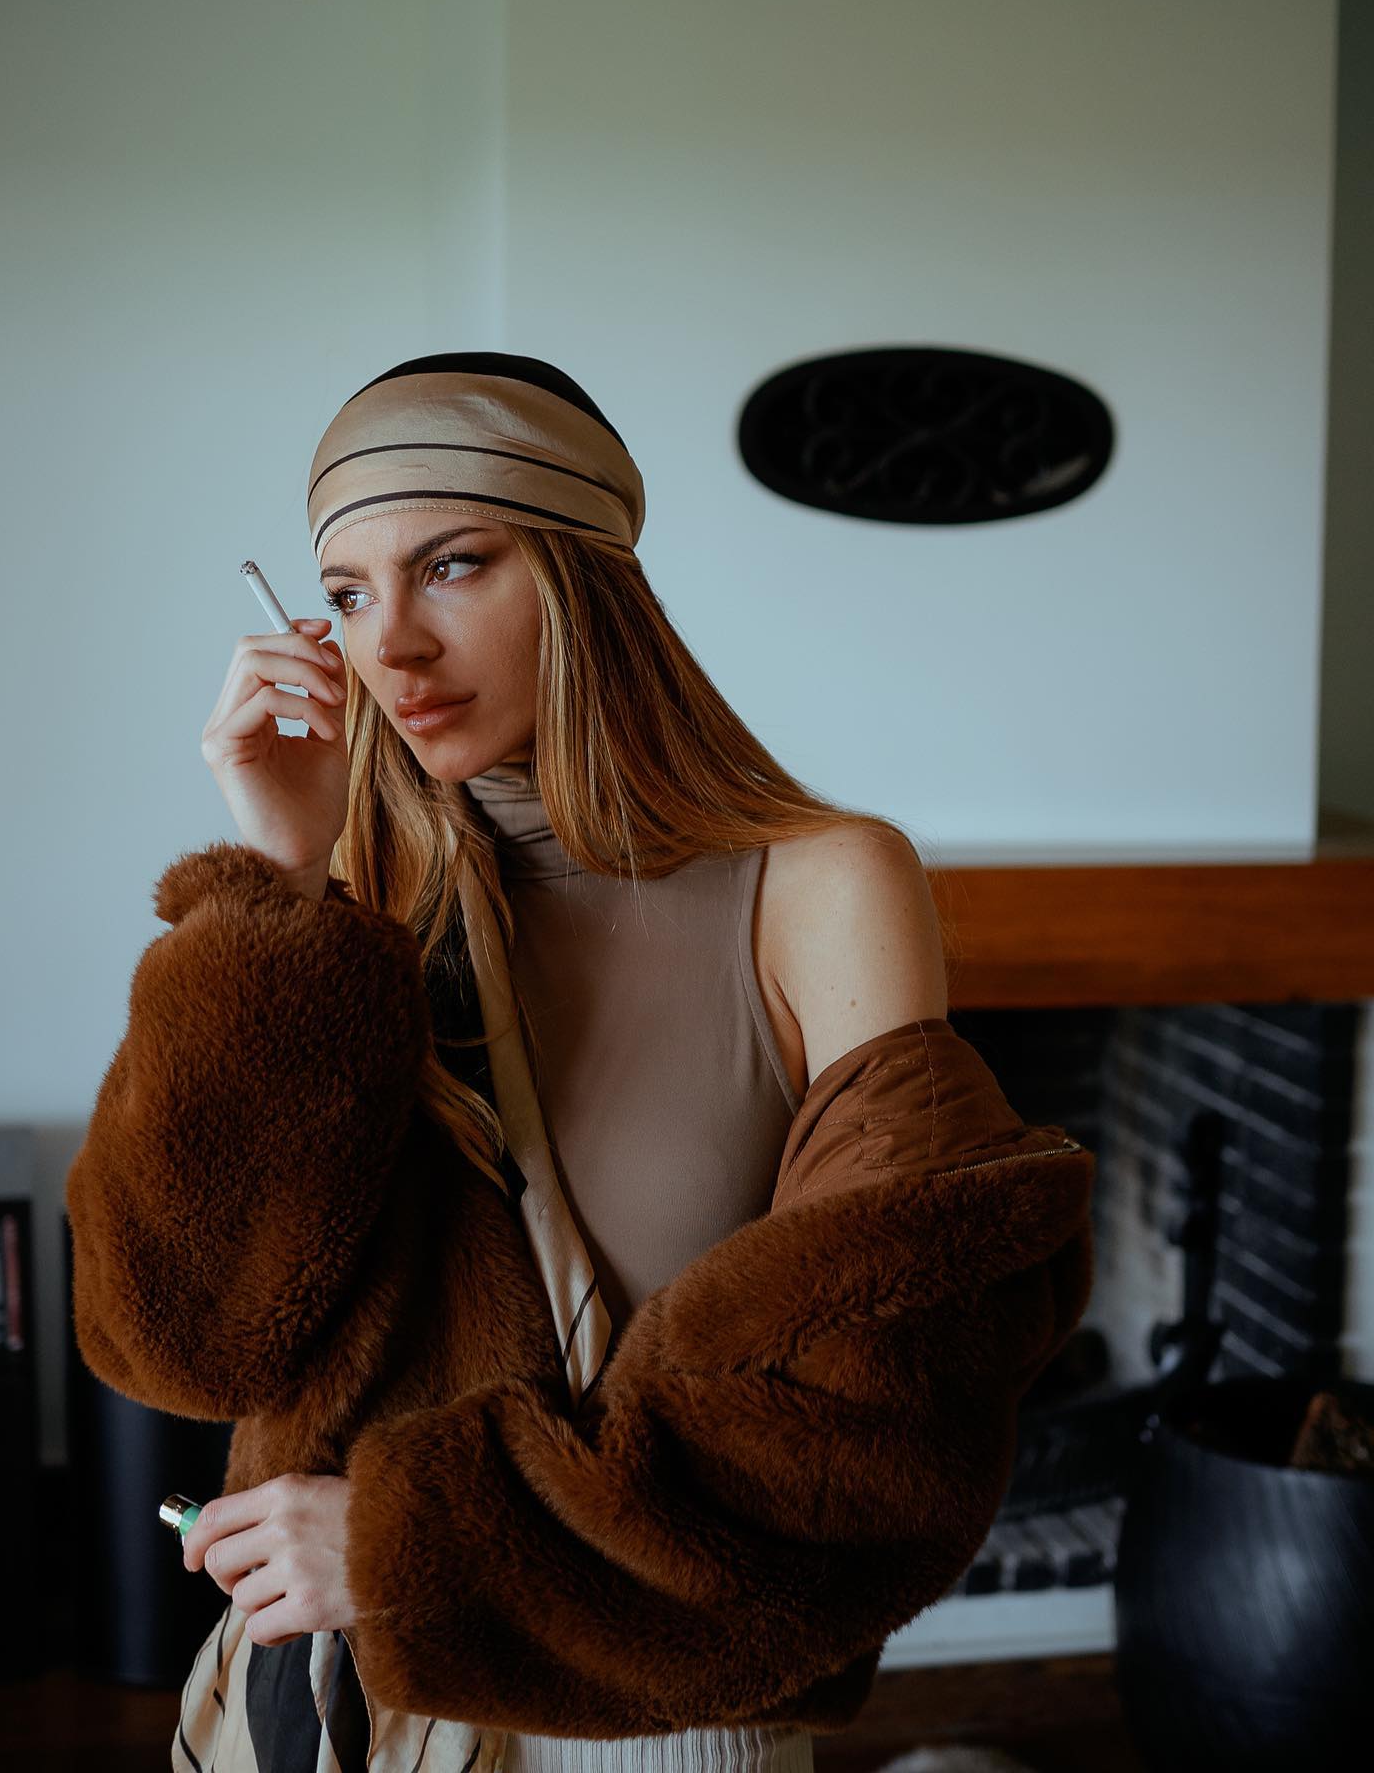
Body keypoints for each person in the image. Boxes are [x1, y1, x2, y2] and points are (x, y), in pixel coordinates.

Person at [64, 352, 1096, 1773]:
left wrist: (412, 1543)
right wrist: (279, 887)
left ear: (584, 576)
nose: (391, 646)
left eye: (454, 565)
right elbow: (180, 1338)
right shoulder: (346, 916)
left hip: (654, 1721)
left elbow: (889, 1410)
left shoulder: (821, 886)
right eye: (348, 594)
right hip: (327, 1712)